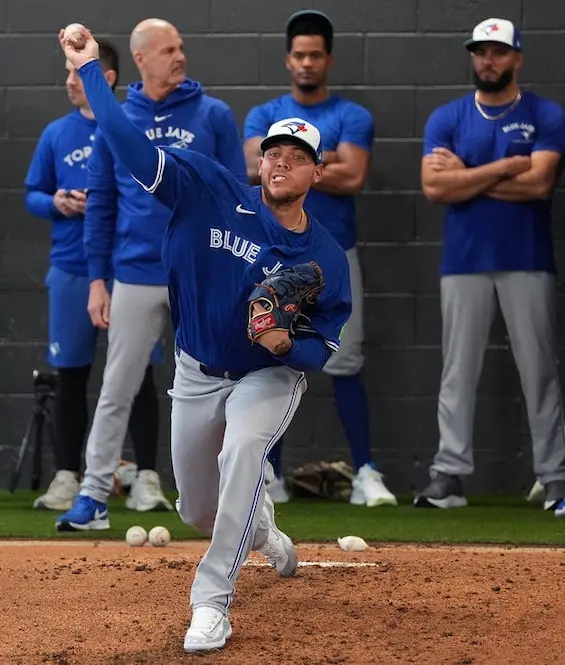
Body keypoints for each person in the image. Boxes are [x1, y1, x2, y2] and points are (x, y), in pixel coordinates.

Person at [58, 25, 351, 652]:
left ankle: (211, 600)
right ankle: (263, 530)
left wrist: (285, 349)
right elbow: (131, 150)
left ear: (316, 173)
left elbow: (324, 343)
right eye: (274, 152)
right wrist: (90, 73)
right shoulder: (209, 190)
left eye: (297, 157)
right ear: (261, 159)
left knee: (243, 451)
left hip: (264, 377)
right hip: (196, 371)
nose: (281, 162)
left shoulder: (323, 255)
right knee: (197, 510)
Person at [56, 18, 249, 529]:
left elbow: (237, 197)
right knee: (116, 386)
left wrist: (236, 270)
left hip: (202, 272)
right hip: (136, 273)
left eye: (181, 47)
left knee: (225, 387)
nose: (179, 56)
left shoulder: (214, 115)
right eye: (168, 50)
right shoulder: (115, 120)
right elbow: (102, 204)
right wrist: (98, 279)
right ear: (141, 59)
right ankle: (93, 495)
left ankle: (242, 492)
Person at [243, 10, 396, 507]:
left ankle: (366, 472)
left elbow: (354, 176)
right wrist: (315, 165)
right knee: (269, 357)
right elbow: (252, 169)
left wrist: (290, 170)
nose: (307, 62)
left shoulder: (353, 115)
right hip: (272, 258)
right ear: (288, 59)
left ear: (327, 59)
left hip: (335, 257)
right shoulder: (262, 112)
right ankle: (269, 475)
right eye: (299, 54)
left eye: (315, 54)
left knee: (345, 361)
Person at [417, 17, 565, 515]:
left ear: (516, 58)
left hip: (527, 257)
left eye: (499, 52)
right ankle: (450, 476)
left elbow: (540, 184)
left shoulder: (546, 115)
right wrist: (505, 168)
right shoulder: (447, 117)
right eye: (481, 51)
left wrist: (468, 176)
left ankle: (556, 478)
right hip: (463, 261)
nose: (488, 60)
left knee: (539, 370)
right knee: (457, 371)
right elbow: (436, 188)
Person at [23, 41, 165, 511]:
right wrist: (56, 203)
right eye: (65, 71)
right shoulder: (55, 134)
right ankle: (68, 476)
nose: (68, 80)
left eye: (76, 71)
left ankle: (147, 476)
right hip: (70, 268)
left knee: (137, 374)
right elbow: (32, 195)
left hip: (127, 271)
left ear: (105, 79)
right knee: (71, 374)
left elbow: (134, 196)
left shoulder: (126, 128)